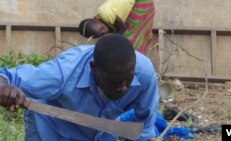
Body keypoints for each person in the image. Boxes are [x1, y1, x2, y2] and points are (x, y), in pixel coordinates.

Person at [0, 34, 159, 141]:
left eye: (128, 80)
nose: (123, 88)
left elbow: (144, 127)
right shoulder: (63, 73)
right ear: (94, 68)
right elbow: (7, 76)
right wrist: (5, 88)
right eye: (115, 82)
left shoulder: (144, 74)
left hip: (100, 131)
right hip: (50, 128)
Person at [78, 0, 155, 53]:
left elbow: (122, 29)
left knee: (130, 42)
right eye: (101, 34)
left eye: (101, 28)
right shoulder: (102, 19)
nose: (104, 31)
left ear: (95, 19)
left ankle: (136, 61)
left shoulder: (105, 14)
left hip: (140, 1)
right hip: (135, 3)